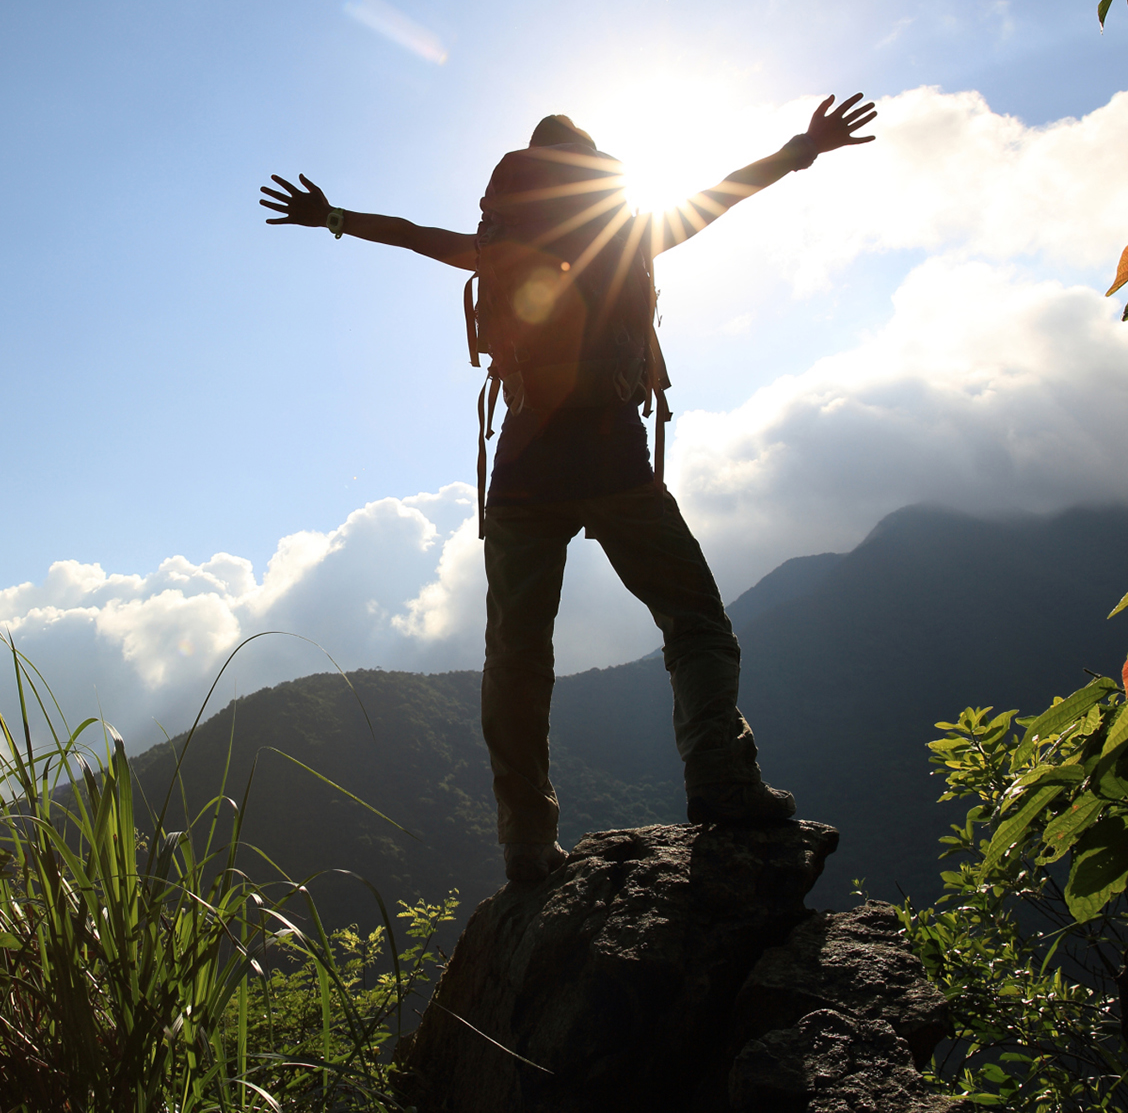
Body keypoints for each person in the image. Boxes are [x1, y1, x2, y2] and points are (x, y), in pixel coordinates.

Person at [259, 95, 877, 882]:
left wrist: (333, 216)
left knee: (516, 655)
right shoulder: (628, 232)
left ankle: (523, 838)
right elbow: (727, 190)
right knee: (696, 622)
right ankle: (721, 778)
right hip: (611, 457)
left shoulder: (500, 242)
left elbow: (417, 237)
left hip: (523, 469)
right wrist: (805, 145)